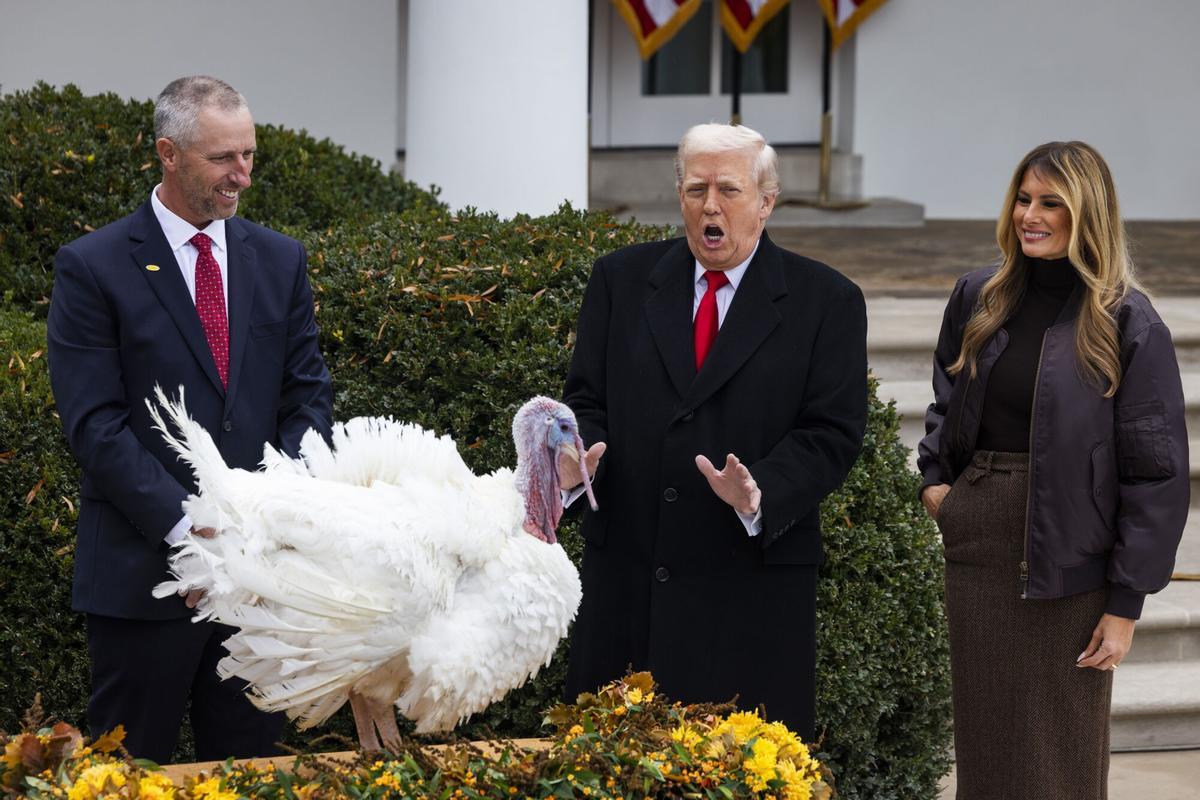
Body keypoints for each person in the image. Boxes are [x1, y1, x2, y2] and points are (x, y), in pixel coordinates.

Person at [47, 76, 334, 763]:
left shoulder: (279, 258)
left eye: (250, 155)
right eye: (222, 159)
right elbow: (95, 424)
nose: (241, 175)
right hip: (145, 578)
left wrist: (272, 506)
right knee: (126, 770)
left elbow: (308, 397)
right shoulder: (92, 267)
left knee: (252, 769)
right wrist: (190, 524)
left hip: (260, 583)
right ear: (168, 154)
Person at [559, 123, 867, 739]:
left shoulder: (825, 301)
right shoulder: (620, 281)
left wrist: (763, 490)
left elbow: (832, 431)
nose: (710, 206)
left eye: (728, 189)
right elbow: (585, 399)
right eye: (696, 188)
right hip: (630, 580)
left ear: (766, 201)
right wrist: (575, 456)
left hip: (748, 590)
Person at [917, 141, 1188, 798]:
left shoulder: (1126, 318)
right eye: (1023, 198)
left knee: (1056, 756)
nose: (1029, 216)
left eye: (1050, 203)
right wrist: (936, 489)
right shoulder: (978, 295)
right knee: (987, 749)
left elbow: (1156, 473)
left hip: (1073, 563)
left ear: (1087, 213)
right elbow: (946, 404)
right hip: (980, 544)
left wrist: (1125, 605)